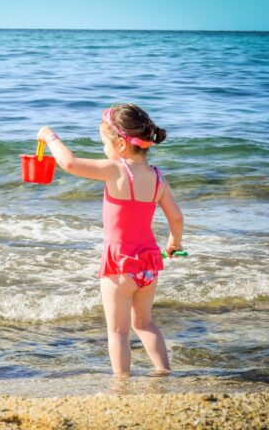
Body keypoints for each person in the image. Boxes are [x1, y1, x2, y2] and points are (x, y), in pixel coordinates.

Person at [37, 104, 184, 376]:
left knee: (118, 331)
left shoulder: (115, 170)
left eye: (104, 142)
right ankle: (163, 371)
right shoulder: (157, 177)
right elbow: (176, 218)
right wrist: (174, 243)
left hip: (119, 264)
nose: (103, 148)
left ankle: (122, 381)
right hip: (149, 264)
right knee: (145, 323)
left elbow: (69, 163)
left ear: (120, 145)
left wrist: (49, 137)